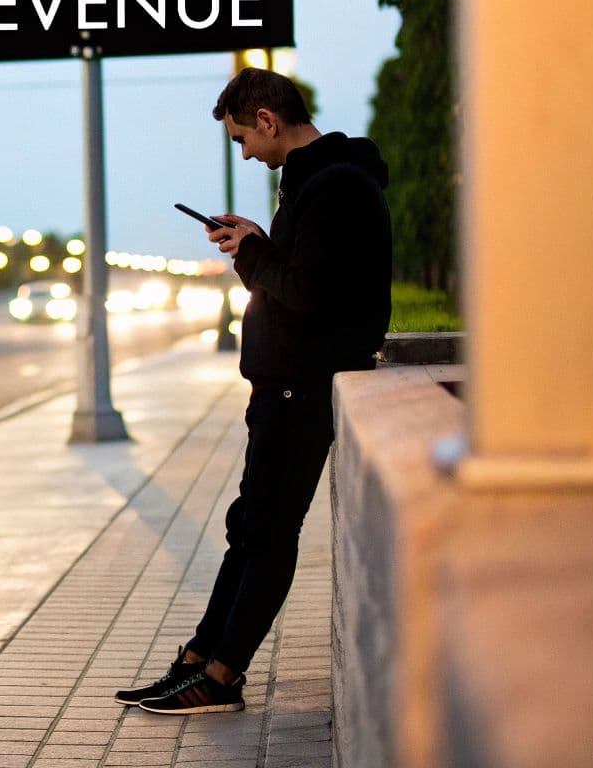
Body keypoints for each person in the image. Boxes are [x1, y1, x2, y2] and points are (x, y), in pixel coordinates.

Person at [118, 66, 391, 715]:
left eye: (243, 138)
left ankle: (221, 675)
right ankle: (198, 659)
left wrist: (250, 251)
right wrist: (261, 244)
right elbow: (299, 276)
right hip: (284, 387)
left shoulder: (332, 187)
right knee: (250, 528)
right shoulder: (314, 186)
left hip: (302, 387)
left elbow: (307, 294)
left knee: (267, 533)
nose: (244, 152)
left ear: (267, 121)